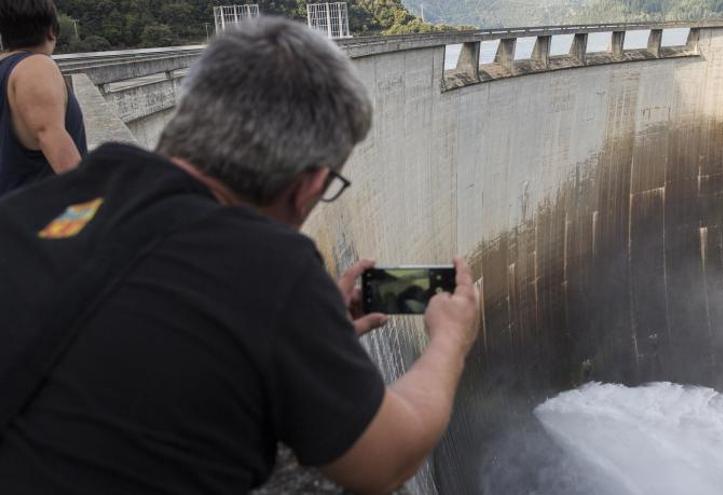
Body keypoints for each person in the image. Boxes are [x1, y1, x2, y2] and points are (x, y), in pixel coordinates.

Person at [0, 17, 478, 495]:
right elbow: (388, 460)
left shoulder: (36, 207)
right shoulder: (270, 268)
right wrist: (449, 341)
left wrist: (303, 333)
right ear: (310, 184)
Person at [0, 0, 87, 198]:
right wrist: (90, 199)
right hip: (39, 217)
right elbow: (50, 136)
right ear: (51, 31)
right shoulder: (36, 66)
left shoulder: (4, 70)